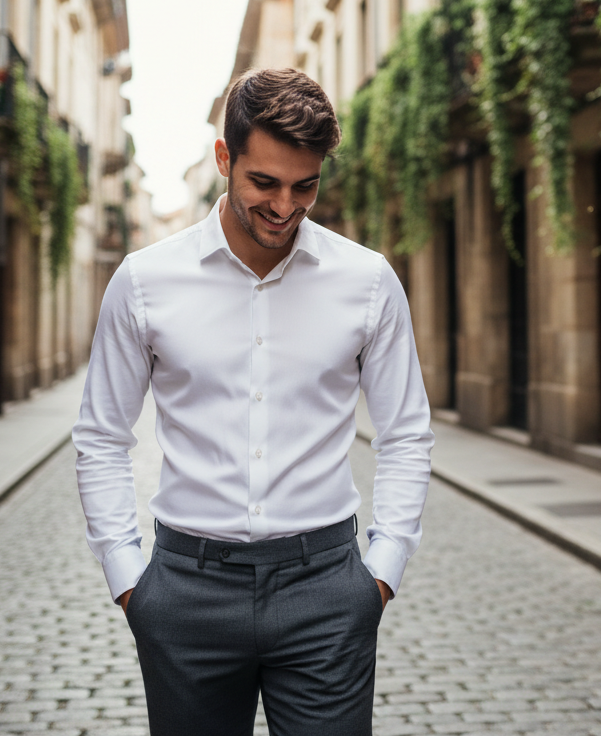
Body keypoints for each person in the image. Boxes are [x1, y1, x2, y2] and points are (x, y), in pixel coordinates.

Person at [72, 68, 434, 736]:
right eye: (263, 182)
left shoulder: (367, 282)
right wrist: (131, 584)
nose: (285, 205)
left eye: (306, 185)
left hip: (326, 590)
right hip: (186, 591)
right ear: (223, 159)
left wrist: (379, 575)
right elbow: (101, 438)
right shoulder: (146, 283)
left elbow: (407, 434)